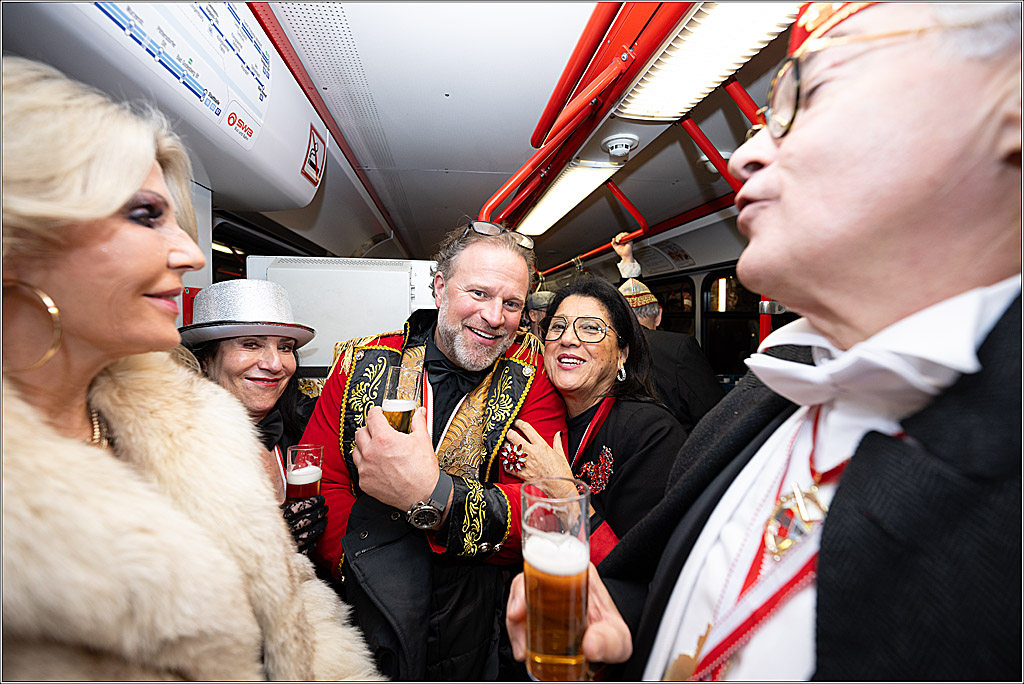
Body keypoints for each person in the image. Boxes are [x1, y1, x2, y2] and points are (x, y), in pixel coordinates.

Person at [507, 3, 1021, 680]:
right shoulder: (762, 393)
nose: (742, 156)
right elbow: (669, 597)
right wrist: (623, 631)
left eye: (811, 94)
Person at [1, 56, 380, 681]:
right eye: (145, 215)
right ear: (22, 241)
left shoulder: (202, 427)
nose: (188, 252)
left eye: (284, 348)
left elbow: (297, 617)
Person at [301, 221, 568, 679]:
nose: (494, 317)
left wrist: (432, 496)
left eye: (511, 303)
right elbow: (323, 479)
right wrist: (364, 564)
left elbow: (539, 511)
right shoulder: (359, 363)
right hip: (365, 591)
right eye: (479, 293)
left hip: (474, 610)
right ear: (440, 287)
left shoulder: (535, 379)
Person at [502, 276, 688, 565]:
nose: (567, 339)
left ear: (622, 354)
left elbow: (637, 569)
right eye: (558, 327)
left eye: (591, 328)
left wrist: (563, 491)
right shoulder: (525, 414)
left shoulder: (653, 434)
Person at [180, 278, 328, 554]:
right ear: (206, 360)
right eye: (250, 344)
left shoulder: (305, 425)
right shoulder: (172, 450)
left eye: (285, 347)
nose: (275, 364)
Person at [614, 254, 725, 432]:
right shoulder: (679, 347)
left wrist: (627, 260)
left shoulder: (604, 348)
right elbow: (714, 413)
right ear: (659, 315)